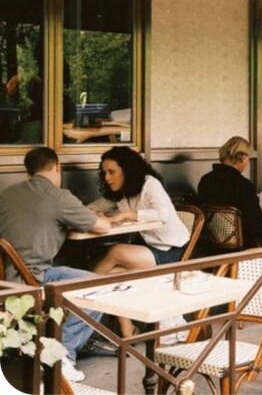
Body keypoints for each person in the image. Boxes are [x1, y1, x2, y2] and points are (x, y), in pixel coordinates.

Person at [0, 148, 111, 382]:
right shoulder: (59, 197)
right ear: (57, 167)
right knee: (98, 286)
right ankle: (61, 355)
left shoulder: (7, 194)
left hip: (5, 279)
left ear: (28, 172)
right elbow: (103, 227)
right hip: (32, 279)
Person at [89, 146, 190, 339]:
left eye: (112, 172)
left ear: (127, 170)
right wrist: (90, 212)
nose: (107, 178)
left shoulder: (150, 184)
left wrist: (128, 214)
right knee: (111, 275)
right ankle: (127, 328)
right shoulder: (122, 191)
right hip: (149, 248)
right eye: (104, 173)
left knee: (116, 251)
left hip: (172, 251)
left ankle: (78, 295)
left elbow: (164, 214)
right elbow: (96, 205)